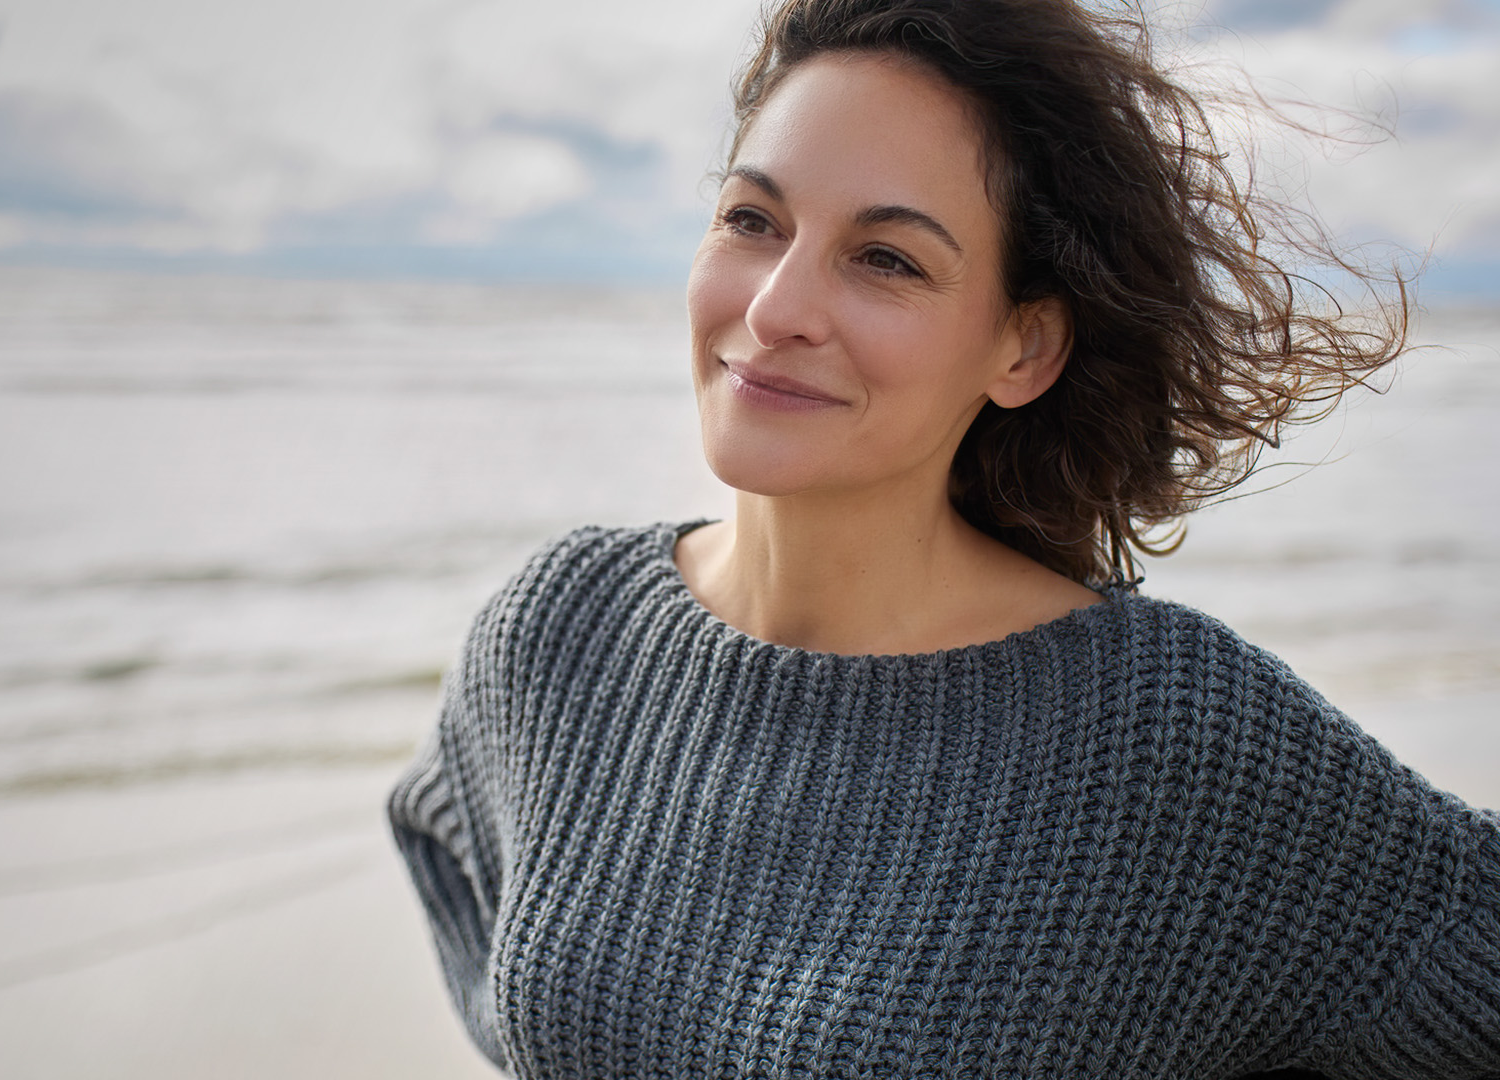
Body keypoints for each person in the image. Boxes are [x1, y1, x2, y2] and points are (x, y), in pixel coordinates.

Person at [388, 0, 1500, 1076]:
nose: (776, 307)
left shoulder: (1159, 731)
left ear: (1025, 348)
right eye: (751, 220)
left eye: (887, 259)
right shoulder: (564, 630)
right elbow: (457, 864)